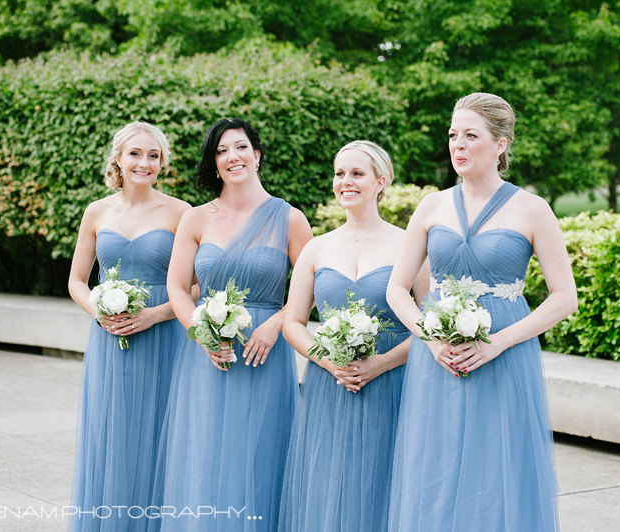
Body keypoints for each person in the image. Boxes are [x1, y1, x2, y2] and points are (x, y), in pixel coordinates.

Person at [386, 93, 577, 532]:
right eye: (453, 135)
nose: (459, 144)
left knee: (496, 465)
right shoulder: (432, 206)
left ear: (500, 144)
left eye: (471, 135)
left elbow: (564, 296)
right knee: (435, 463)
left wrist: (498, 342)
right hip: (437, 357)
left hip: (504, 354)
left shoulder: (532, 208)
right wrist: (429, 338)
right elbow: (397, 289)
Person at [152, 118, 313, 532]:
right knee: (204, 454)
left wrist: (277, 321)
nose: (232, 157)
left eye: (240, 147)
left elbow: (311, 290)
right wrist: (200, 331)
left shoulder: (290, 218)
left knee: (259, 454)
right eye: (221, 151)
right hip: (208, 354)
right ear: (215, 164)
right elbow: (177, 285)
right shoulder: (196, 219)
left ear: (256, 156)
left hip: (264, 357)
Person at [278, 141, 430, 532]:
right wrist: (329, 362)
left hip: (394, 381)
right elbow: (293, 322)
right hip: (331, 383)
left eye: (357, 174)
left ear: (381, 182)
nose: (346, 181)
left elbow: (432, 324)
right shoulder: (317, 248)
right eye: (340, 173)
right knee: (330, 481)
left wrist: (378, 364)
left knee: (389, 477)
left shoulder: (410, 246)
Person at [67, 121, 191, 531]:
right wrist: (98, 311)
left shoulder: (180, 212)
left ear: (162, 163)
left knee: (162, 434)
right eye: (135, 154)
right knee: (113, 434)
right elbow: (77, 280)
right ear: (118, 158)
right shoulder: (97, 211)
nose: (144, 162)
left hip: (165, 335)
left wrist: (155, 314)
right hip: (110, 338)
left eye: (153, 155)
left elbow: (194, 284)